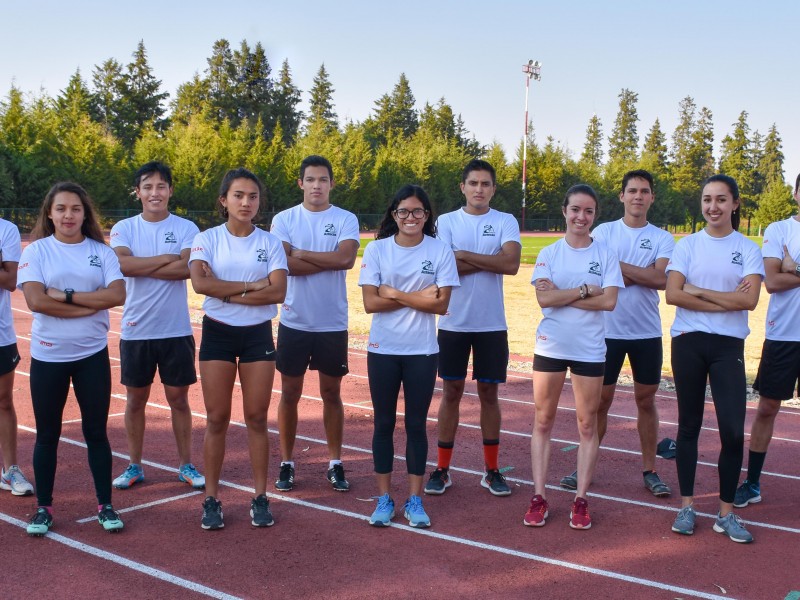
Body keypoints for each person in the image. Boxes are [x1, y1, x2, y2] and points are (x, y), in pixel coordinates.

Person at [18, 182, 126, 536]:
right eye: (61, 208)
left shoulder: (102, 252)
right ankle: (44, 508)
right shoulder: (37, 252)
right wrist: (88, 300)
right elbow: (36, 301)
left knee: (96, 432)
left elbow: (116, 295)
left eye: (75, 209)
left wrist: (63, 296)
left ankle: (105, 505)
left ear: (85, 213)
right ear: (49, 213)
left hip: (91, 356)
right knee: (47, 434)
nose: (68, 215)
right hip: (48, 356)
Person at [560, 170, 674, 497]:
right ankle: (586, 466)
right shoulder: (604, 231)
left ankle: (650, 469)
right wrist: (636, 272)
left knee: (646, 400)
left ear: (652, 197)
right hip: (605, 332)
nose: (638, 196)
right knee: (601, 402)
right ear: (622, 196)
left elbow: (659, 280)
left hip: (646, 332)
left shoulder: (663, 238)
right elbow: (592, 275)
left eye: (645, 191)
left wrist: (615, 268)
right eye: (632, 190)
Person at [665, 174, 763, 544]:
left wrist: (698, 290)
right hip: (688, 341)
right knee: (688, 426)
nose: (713, 207)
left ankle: (725, 513)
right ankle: (687, 506)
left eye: (721, 199)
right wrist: (724, 297)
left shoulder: (748, 248)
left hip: (728, 347)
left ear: (735, 203)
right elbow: (673, 295)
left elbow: (749, 301)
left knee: (733, 431)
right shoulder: (687, 245)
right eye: (707, 199)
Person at [189, 168, 287, 530]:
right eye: (239, 196)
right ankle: (211, 499)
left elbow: (278, 292)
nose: (246, 203)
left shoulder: (270, 242)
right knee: (216, 419)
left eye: (253, 196)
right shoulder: (207, 239)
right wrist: (250, 286)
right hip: (218, 333)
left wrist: (226, 290)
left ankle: (260, 497)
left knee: (257, 419)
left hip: (257, 335)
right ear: (223, 200)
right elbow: (200, 284)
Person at [359, 184, 459, 528]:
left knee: (416, 425)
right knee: (383, 424)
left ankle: (415, 500)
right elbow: (370, 303)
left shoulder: (440, 249)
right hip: (383, 349)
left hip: (422, 351)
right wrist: (419, 295)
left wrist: (393, 291)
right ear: (394, 215)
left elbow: (442, 304)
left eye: (418, 211)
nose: (410, 217)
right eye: (403, 211)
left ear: (427, 216)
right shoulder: (377, 250)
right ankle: (384, 499)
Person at [524, 184, 622, 530]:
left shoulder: (606, 255)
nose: (582, 217)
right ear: (565, 211)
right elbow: (543, 300)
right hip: (551, 345)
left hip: (589, 348)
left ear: (595, 215)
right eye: (576, 210)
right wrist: (583, 290)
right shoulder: (549, 253)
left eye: (589, 211)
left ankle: (580, 499)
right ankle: (539, 496)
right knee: (543, 420)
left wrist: (562, 295)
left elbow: (609, 301)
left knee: (586, 424)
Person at [426, 159, 521, 497]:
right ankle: (442, 469)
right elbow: (445, 268)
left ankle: (491, 470)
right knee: (451, 393)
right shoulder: (446, 221)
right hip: (453, 321)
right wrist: (482, 258)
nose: (479, 189)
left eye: (486, 184)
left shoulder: (505, 221)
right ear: (462, 187)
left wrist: (464, 255)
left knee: (489, 395)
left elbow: (510, 264)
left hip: (491, 324)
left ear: (493, 189)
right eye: (474, 183)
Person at [110, 162, 204, 491]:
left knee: (179, 400)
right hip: (136, 329)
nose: (155, 193)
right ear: (137, 192)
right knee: (135, 400)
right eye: (147, 187)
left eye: (161, 186)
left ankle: (186, 464)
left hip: (175, 330)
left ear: (170, 190)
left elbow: (187, 270)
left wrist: (142, 265)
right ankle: (134, 465)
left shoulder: (186, 227)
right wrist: (166, 258)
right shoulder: (124, 227)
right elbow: (122, 264)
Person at [271, 155, 359, 493]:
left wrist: (301, 253)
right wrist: (322, 259)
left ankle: (335, 463)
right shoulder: (285, 219)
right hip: (294, 320)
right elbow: (284, 265)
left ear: (332, 183)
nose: (317, 185)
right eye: (311, 179)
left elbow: (345, 259)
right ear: (301, 183)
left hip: (331, 322)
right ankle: (287, 462)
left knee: (331, 394)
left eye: (323, 179)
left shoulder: (345, 218)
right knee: (289, 393)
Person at [734, 172, 800, 508]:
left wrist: (796, 269)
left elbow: (786, 275)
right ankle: (753, 482)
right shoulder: (779, 230)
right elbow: (772, 282)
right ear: (796, 193)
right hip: (785, 333)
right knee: (768, 408)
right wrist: (785, 272)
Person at [0, 216, 34, 497]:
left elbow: (11, 279)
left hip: (1, 334)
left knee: (3, 400)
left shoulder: (6, 229)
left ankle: (9, 470)